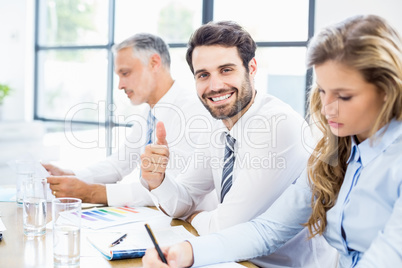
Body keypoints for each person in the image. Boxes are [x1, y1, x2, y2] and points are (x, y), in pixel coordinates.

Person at [142, 14, 402, 268]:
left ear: (387, 90)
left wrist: (194, 216)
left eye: (344, 96)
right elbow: (269, 229)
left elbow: (388, 256)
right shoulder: (335, 154)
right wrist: (188, 252)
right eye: (322, 92)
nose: (326, 110)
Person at [43, 33, 217, 210]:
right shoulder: (149, 113)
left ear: (154, 63)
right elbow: (119, 164)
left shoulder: (193, 110)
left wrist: (91, 193)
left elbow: (171, 188)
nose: (120, 85)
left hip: (187, 224)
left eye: (125, 73)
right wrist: (72, 176)